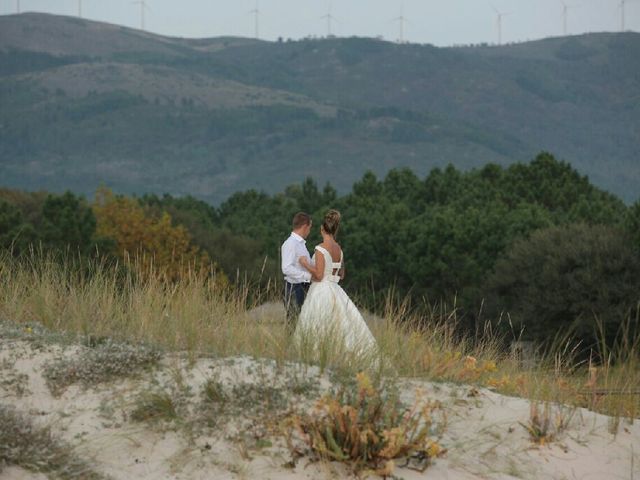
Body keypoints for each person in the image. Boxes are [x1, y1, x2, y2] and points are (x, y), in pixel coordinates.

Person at [294, 209, 377, 357]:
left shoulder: (320, 248)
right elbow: (342, 274)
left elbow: (319, 274)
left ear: (321, 228)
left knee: (318, 323)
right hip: (335, 289)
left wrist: (305, 263)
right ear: (335, 229)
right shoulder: (339, 249)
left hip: (321, 290)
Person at [281, 212, 313, 335]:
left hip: (303, 287)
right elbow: (286, 268)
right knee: (293, 322)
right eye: (309, 228)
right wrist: (308, 276)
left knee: (302, 323)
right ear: (305, 226)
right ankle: (287, 351)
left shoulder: (301, 245)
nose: (309, 232)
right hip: (294, 288)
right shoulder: (290, 244)